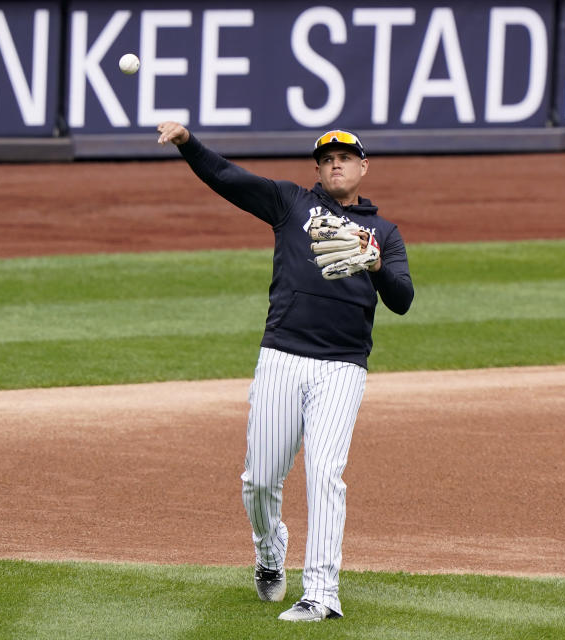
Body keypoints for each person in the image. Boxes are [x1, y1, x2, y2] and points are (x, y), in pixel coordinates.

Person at [157, 122, 414, 622]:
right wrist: (189, 143)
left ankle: (321, 593)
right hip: (281, 357)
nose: (336, 163)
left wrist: (378, 264)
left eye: (346, 156)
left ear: (364, 167)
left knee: (324, 475)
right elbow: (227, 178)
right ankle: (270, 551)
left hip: (342, 368)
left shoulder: (384, 233)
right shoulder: (290, 203)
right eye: (327, 158)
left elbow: (402, 300)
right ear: (317, 170)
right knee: (259, 481)